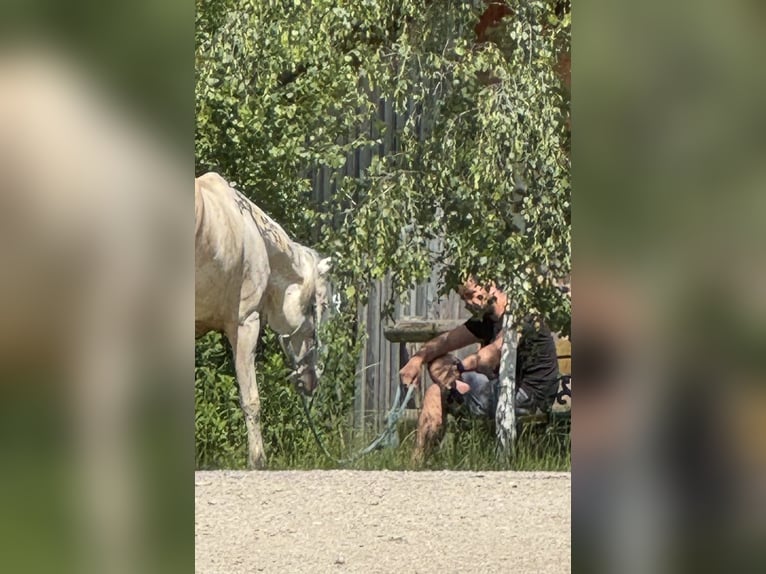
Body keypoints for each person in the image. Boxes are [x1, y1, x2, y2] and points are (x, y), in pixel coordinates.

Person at [399, 277, 560, 461]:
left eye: (472, 295)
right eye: (463, 298)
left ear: (490, 285)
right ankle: (420, 463)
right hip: (501, 389)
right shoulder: (486, 320)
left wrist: (459, 368)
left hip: (529, 396)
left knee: (436, 392)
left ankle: (419, 460)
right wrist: (416, 360)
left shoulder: (521, 315)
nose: (469, 303)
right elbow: (446, 341)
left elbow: (492, 354)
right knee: (437, 364)